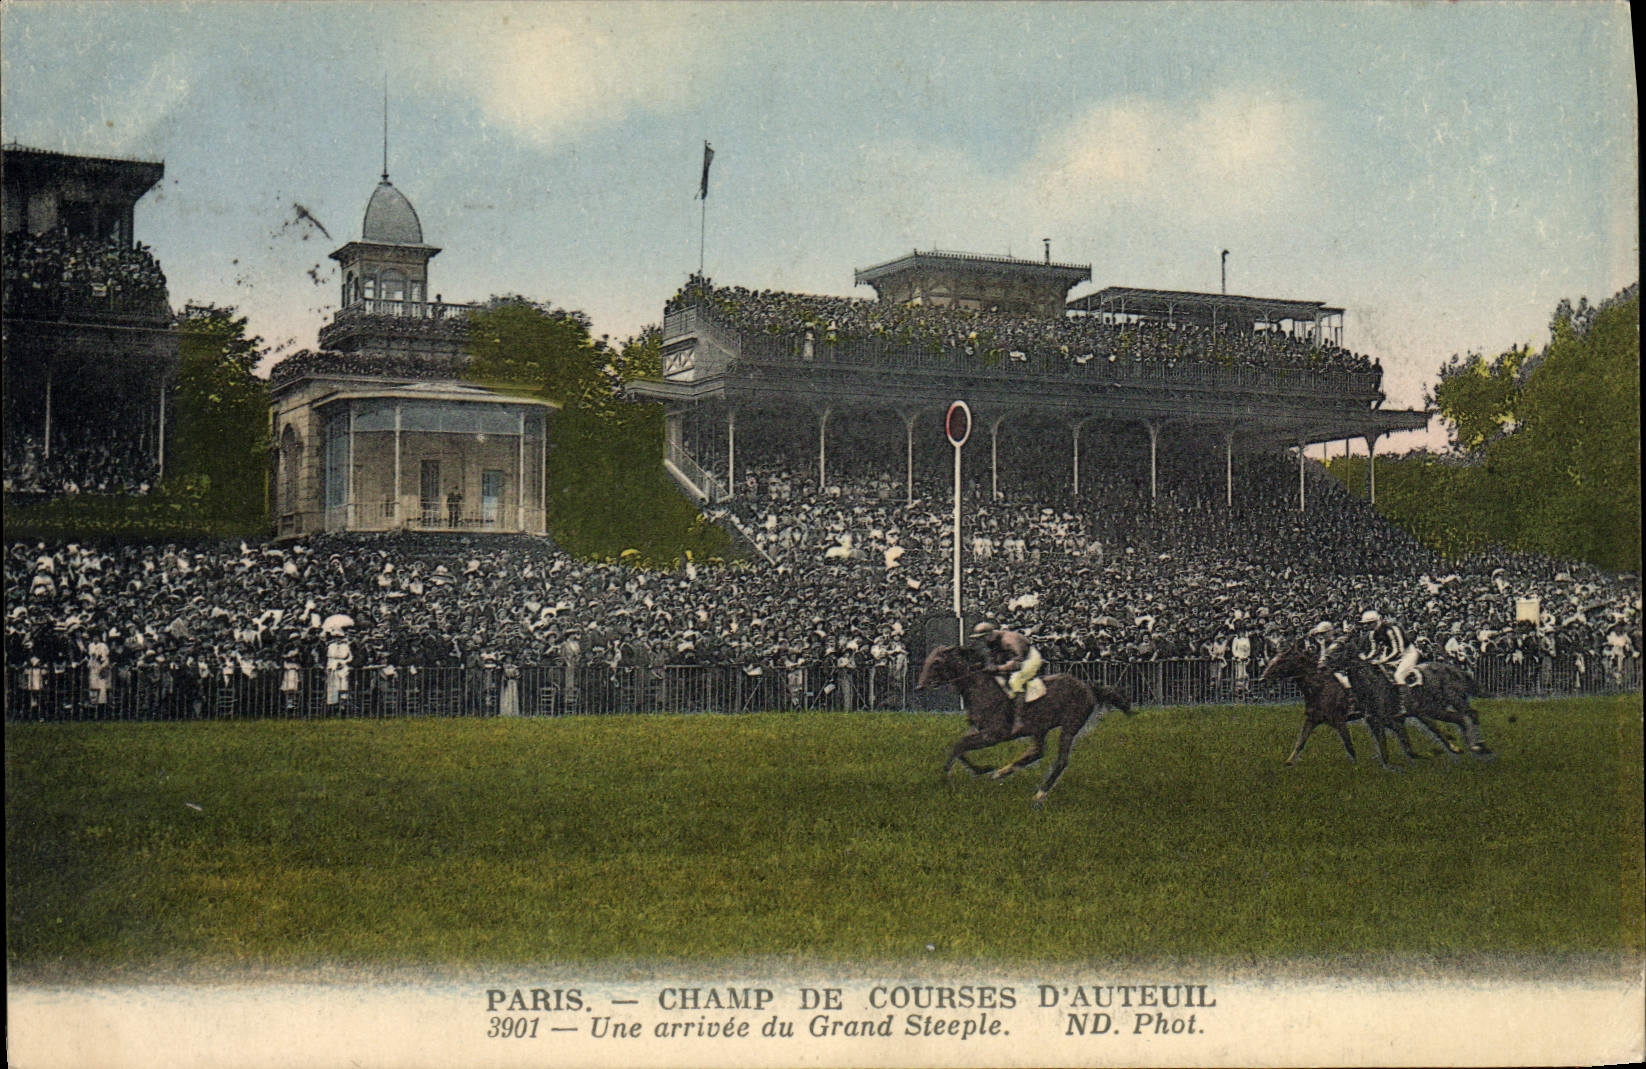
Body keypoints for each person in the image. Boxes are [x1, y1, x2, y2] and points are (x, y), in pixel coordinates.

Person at [971, 620, 1041, 736]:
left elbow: (1018, 661)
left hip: (1029, 658)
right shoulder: (993, 642)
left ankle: (1019, 721)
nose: (980, 641)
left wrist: (999, 668)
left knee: (1015, 681)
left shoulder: (1008, 640)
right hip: (1012, 660)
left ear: (989, 635)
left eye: (981, 638)